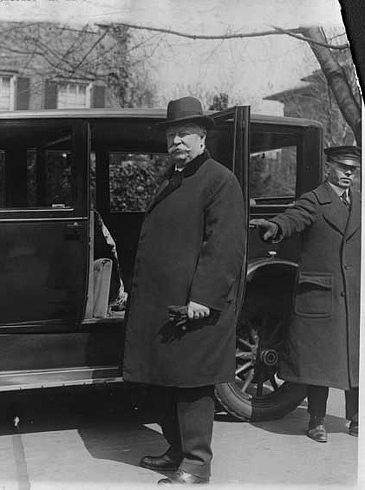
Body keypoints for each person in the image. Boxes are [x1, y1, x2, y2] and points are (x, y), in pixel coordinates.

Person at [123, 96, 246, 485]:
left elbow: (224, 246)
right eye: (172, 134)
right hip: (163, 304)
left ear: (203, 138)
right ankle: (176, 451)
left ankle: (196, 464)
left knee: (192, 384)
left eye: (185, 134)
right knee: (164, 378)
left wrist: (203, 299)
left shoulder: (219, 180)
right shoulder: (171, 178)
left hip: (193, 305)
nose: (177, 141)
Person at [250, 145, 360, 443]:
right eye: (342, 167)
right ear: (328, 168)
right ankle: (317, 420)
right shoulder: (315, 199)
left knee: (356, 358)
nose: (348, 173)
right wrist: (274, 227)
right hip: (322, 293)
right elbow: (292, 218)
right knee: (319, 362)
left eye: (353, 168)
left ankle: (356, 417)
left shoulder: (361, 203)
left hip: (354, 294)